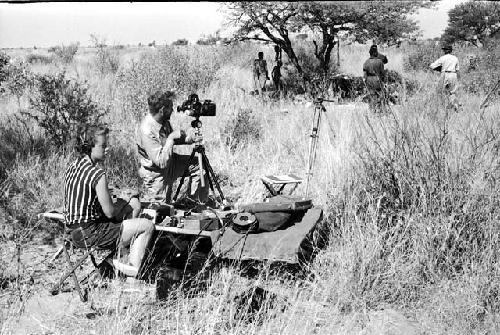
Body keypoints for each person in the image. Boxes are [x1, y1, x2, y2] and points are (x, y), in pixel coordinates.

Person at [64, 126, 154, 277]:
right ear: (89, 147)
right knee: (147, 225)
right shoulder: (97, 174)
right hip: (90, 234)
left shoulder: (72, 167)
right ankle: (131, 271)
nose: (107, 149)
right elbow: (110, 212)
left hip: (72, 233)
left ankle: (120, 260)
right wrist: (125, 201)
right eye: (103, 146)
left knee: (130, 207)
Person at [136, 90, 208, 205]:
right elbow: (161, 162)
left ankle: (195, 204)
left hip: (170, 162)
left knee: (200, 165)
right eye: (170, 107)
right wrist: (171, 138)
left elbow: (171, 139)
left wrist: (189, 139)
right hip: (156, 173)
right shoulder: (147, 129)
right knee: (163, 212)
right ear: (162, 110)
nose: (173, 110)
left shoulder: (163, 120)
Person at [430, 45, 460, 111]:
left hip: (445, 74)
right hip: (453, 74)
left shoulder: (443, 58)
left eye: (444, 50)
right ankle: (454, 105)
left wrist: (439, 69)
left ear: (446, 51)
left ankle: (444, 106)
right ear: (451, 51)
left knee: (441, 90)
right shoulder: (455, 58)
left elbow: (432, 66)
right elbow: (457, 70)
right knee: (452, 91)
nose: (444, 51)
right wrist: (459, 79)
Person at [363, 47, 386, 113]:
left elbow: (364, 74)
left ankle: (372, 110)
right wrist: (383, 81)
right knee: (381, 95)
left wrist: (366, 81)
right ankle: (380, 110)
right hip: (377, 80)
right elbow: (382, 73)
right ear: (375, 53)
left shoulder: (366, 62)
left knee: (371, 96)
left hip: (369, 80)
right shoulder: (380, 62)